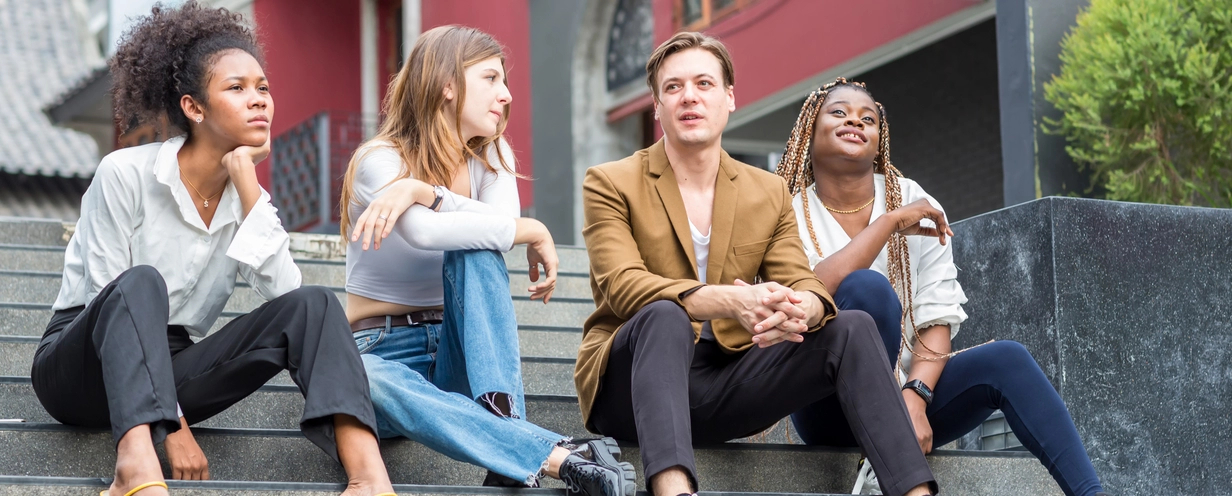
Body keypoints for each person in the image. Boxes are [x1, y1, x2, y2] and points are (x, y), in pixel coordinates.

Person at [30, 3, 395, 496]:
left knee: (315, 303)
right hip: (82, 362)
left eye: (263, 87)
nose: (259, 100)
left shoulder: (250, 201)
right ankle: (134, 468)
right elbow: (106, 293)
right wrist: (174, 426)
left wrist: (247, 186)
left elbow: (289, 298)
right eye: (237, 88)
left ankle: (369, 479)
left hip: (176, 365)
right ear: (193, 108)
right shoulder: (125, 173)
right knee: (141, 282)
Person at [575, 32, 939, 496]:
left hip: (724, 383)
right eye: (673, 87)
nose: (689, 96)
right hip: (630, 386)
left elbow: (804, 281)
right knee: (666, 314)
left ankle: (914, 492)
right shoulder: (610, 182)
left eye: (704, 84)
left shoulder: (765, 190)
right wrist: (732, 300)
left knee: (853, 327)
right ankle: (672, 490)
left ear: (729, 98)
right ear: (657, 107)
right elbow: (621, 286)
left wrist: (799, 307)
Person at [776, 77, 1110, 496]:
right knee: (868, 291)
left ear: (879, 141)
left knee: (1007, 359)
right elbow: (804, 293)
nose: (855, 122)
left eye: (868, 119)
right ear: (810, 131)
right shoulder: (786, 210)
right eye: (839, 113)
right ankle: (886, 457)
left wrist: (915, 397)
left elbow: (937, 310)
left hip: (904, 398)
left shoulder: (912, 196)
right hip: (825, 402)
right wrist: (888, 224)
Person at [340, 25, 636, 496]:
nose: (506, 95)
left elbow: (494, 232)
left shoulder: (492, 155)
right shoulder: (379, 160)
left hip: (462, 350)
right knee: (357, 377)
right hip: (382, 350)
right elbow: (424, 233)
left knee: (475, 247)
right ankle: (530, 449)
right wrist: (533, 228)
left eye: (505, 81)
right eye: (491, 79)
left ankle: (505, 437)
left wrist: (425, 191)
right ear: (448, 84)